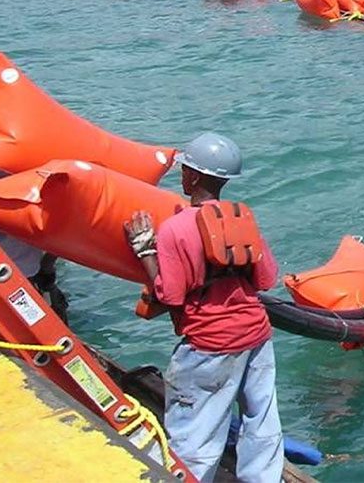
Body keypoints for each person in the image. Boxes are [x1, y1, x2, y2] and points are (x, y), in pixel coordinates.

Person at [125, 132, 283, 483]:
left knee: (195, 435)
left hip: (209, 345)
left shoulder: (175, 229)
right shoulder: (243, 218)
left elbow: (170, 296)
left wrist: (144, 250)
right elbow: (265, 279)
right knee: (262, 422)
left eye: (184, 170)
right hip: (257, 337)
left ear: (193, 177)